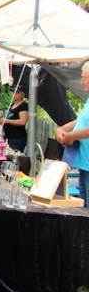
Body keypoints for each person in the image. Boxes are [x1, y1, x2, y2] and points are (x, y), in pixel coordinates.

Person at [56, 60, 89, 208]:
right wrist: (61, 129)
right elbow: (79, 121)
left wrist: (71, 136)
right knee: (83, 209)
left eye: (84, 78)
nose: (81, 82)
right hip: (85, 164)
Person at [0, 86, 29, 152]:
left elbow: (22, 121)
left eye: (17, 92)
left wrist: (6, 121)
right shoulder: (12, 105)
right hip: (8, 136)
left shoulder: (23, 106)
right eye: (13, 92)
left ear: (23, 95)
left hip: (17, 137)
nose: (14, 94)